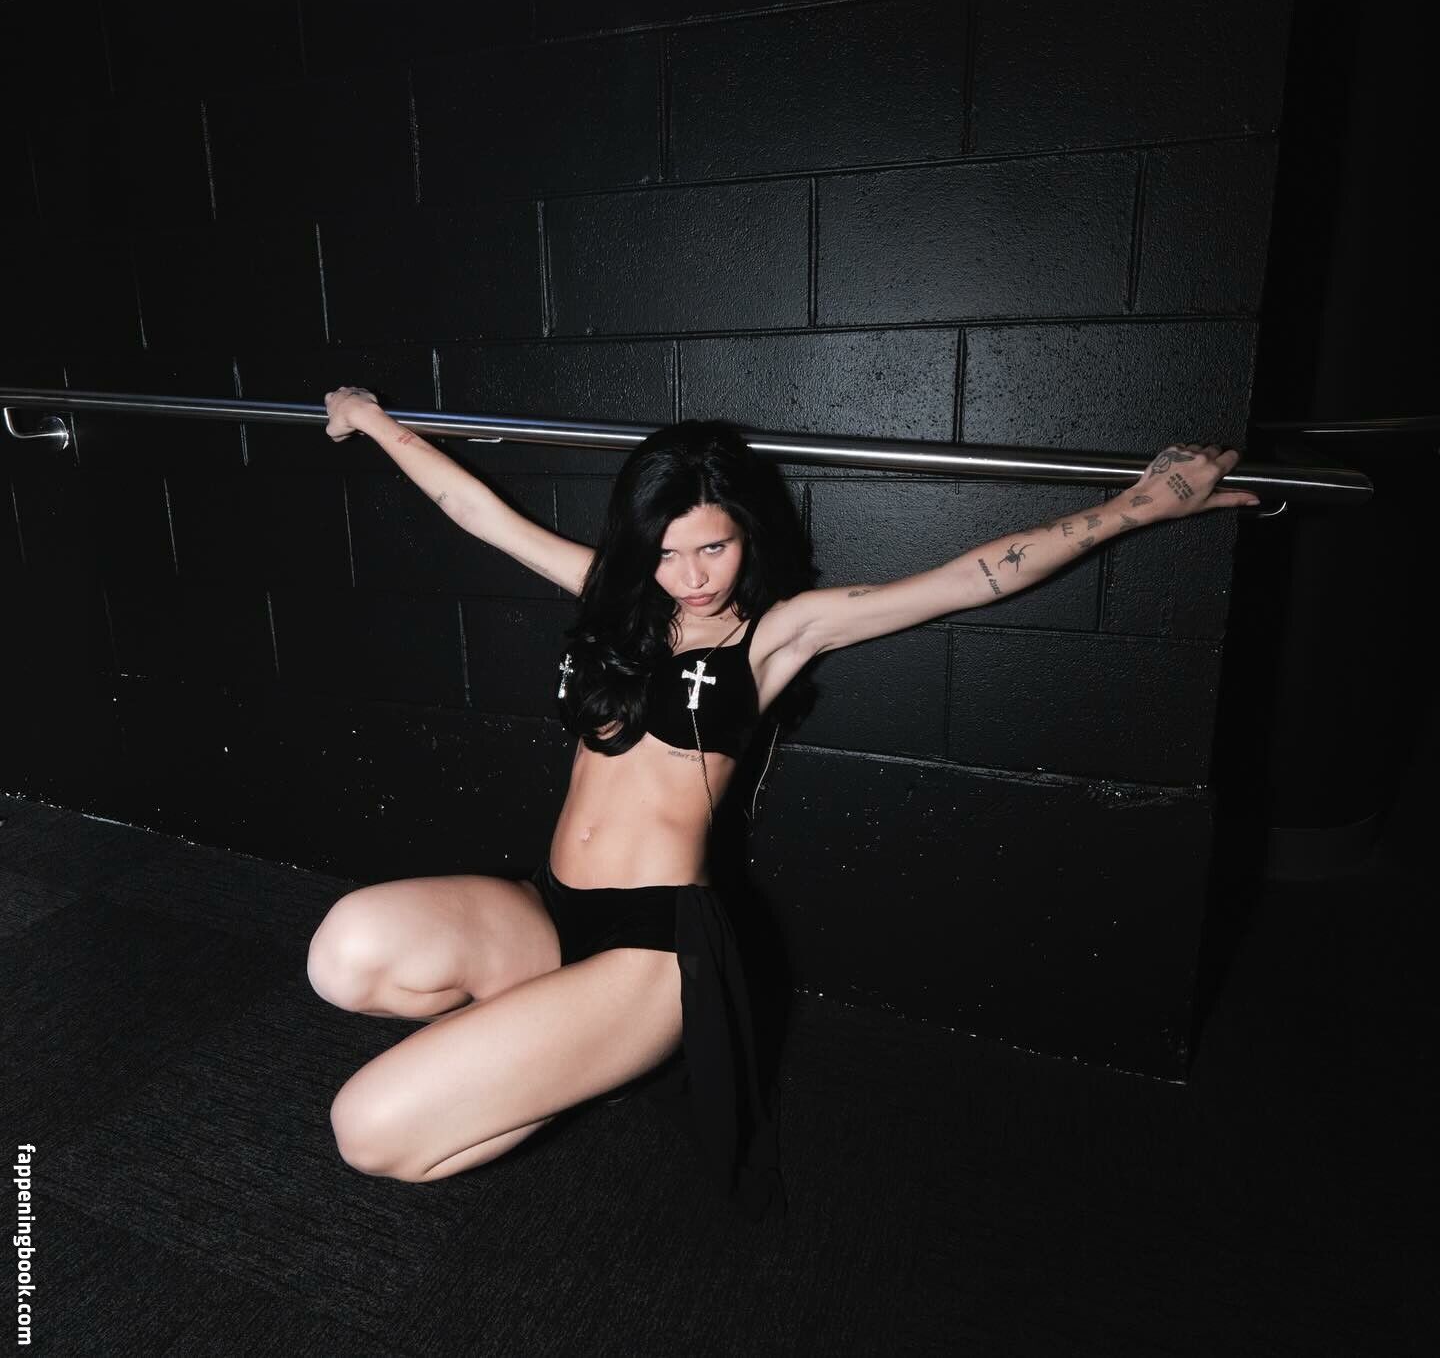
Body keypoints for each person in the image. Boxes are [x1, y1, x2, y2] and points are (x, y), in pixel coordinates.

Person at [305, 385, 1260, 1219]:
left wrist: (1137, 507)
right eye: (666, 551)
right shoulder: (616, 597)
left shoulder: (776, 635)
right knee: (342, 953)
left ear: (746, 535)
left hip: (654, 949)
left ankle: (579, 1058)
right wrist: (374, 421)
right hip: (553, 908)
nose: (690, 576)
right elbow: (475, 511)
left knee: (368, 1131)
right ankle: (558, 1036)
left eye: (713, 547)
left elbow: (968, 579)